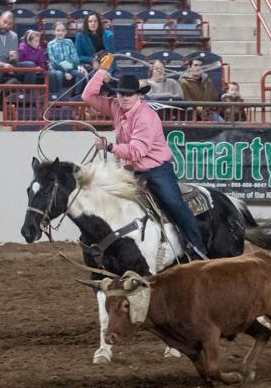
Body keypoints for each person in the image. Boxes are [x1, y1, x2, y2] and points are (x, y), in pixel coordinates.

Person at [82, 54, 207, 260]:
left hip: (156, 169)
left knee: (174, 204)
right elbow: (88, 96)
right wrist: (102, 70)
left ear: (139, 95)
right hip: (130, 170)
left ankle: (197, 249)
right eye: (121, 93)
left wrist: (110, 146)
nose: (124, 97)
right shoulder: (115, 106)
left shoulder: (147, 117)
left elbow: (137, 151)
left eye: (129, 94)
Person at [47, 21, 86, 96]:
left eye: (62, 30)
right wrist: (65, 72)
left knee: (81, 74)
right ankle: (58, 96)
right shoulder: (51, 44)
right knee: (59, 74)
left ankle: (75, 95)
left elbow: (75, 57)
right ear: (54, 32)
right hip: (57, 69)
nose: (60, 32)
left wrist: (78, 66)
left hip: (70, 68)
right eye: (58, 30)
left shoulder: (69, 42)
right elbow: (54, 62)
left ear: (66, 32)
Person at [179, 57, 222, 121]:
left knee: (223, 125)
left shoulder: (208, 81)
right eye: (196, 65)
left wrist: (210, 109)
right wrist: (199, 110)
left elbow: (214, 97)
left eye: (201, 65)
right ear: (190, 68)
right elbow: (186, 100)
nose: (199, 68)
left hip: (209, 113)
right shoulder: (183, 82)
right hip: (191, 115)